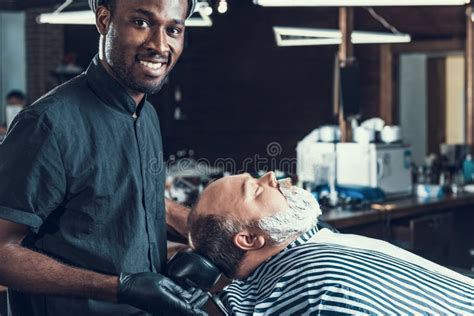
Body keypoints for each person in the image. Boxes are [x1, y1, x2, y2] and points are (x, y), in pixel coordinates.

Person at [0, 0, 207, 315]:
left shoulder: (146, 113)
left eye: (173, 29)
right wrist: (117, 288)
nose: (159, 45)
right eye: (141, 23)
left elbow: (124, 197)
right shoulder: (48, 123)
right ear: (103, 20)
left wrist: (207, 236)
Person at [188, 172, 474, 315]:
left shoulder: (304, 249)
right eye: (256, 188)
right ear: (250, 239)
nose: (272, 177)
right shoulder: (317, 288)